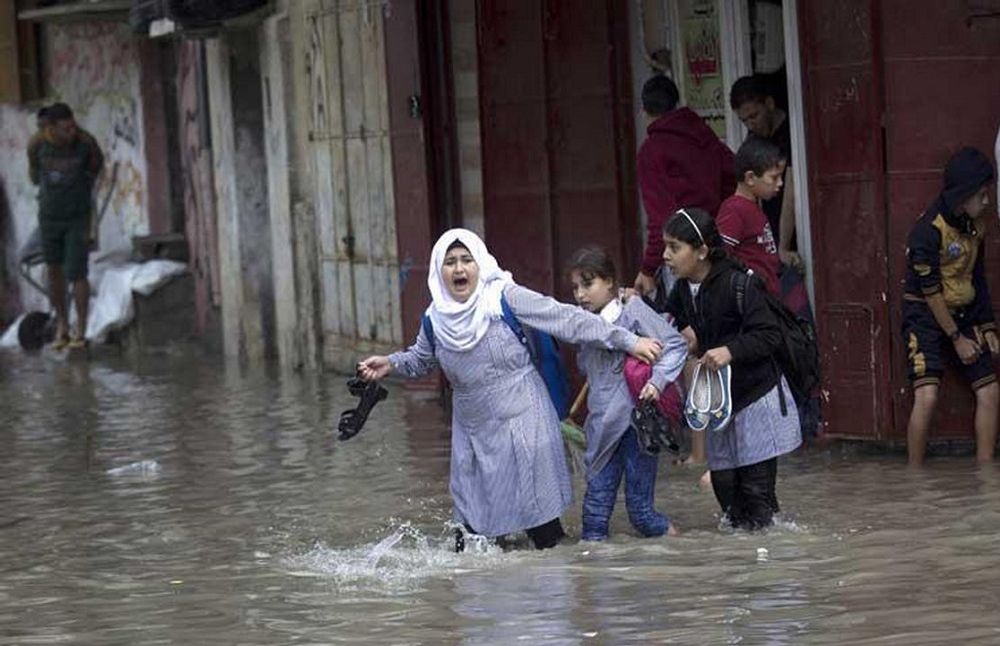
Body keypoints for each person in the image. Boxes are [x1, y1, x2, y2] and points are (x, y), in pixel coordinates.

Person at [357, 229, 664, 550]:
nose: (459, 269)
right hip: (473, 432)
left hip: (523, 420)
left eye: (466, 260)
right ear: (439, 270)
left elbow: (569, 320)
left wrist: (630, 340)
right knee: (472, 539)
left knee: (543, 534)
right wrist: (390, 363)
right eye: (450, 262)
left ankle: (554, 590)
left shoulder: (505, 296)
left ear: (481, 264)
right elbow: (421, 359)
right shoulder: (436, 318)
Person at [661, 208, 801, 530]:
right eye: (665, 246)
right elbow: (672, 325)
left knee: (756, 493)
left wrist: (730, 350)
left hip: (755, 397)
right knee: (726, 490)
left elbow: (769, 335)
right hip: (721, 403)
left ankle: (768, 561)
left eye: (674, 247)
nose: (666, 256)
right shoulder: (683, 289)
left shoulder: (739, 284)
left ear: (700, 251)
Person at [566, 245, 687, 541]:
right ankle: (597, 583)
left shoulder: (632, 310)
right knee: (593, 518)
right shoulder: (583, 324)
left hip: (636, 425)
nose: (581, 294)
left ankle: (682, 560)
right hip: (602, 425)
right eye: (575, 287)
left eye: (588, 284)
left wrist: (656, 382)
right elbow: (586, 367)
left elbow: (675, 345)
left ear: (609, 281)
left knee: (642, 513)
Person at [902, 147, 997, 465]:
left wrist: (987, 327)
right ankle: (914, 477)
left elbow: (978, 279)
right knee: (927, 396)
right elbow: (931, 294)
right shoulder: (927, 232)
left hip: (963, 311)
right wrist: (957, 339)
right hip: (925, 316)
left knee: (990, 391)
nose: (987, 202)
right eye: (982, 195)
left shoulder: (975, 226)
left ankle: (986, 477)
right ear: (964, 195)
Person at [634, 74, 736, 297]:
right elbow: (732, 176)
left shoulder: (652, 151)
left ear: (644, 111)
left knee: (686, 323)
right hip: (715, 242)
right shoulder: (703, 135)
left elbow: (660, 216)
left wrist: (648, 268)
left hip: (682, 247)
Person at [26, 102, 104, 349]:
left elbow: (96, 167)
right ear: (50, 129)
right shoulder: (37, 144)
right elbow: (35, 176)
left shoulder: (86, 143)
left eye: (73, 126)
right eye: (65, 129)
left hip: (77, 218)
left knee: (77, 272)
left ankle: (80, 330)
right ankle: (62, 324)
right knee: (54, 270)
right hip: (49, 218)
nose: (72, 132)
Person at [729, 74, 799, 271]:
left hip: (796, 233)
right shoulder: (753, 140)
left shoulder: (792, 133)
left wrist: (783, 247)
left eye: (754, 116)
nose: (751, 125)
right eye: (745, 121)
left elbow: (791, 192)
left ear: (769, 103)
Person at [717, 137, 785, 297]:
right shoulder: (734, 209)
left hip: (766, 297)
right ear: (750, 178)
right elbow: (720, 254)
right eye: (774, 177)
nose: (781, 183)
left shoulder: (753, 208)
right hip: (752, 300)